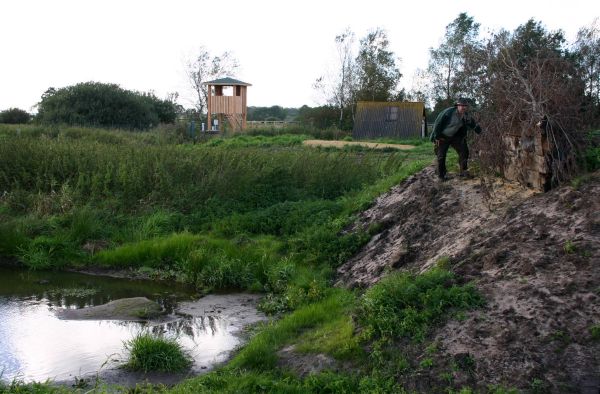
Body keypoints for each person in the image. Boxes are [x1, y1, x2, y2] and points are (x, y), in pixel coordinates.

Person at [430, 98, 482, 181]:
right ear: (457, 106)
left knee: (464, 151)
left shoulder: (466, 116)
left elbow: (473, 125)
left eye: (465, 106)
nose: (463, 108)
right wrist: (436, 137)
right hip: (443, 136)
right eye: (461, 106)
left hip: (456, 137)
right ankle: (441, 176)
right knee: (441, 156)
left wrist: (481, 133)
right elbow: (438, 123)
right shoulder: (448, 113)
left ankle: (463, 171)